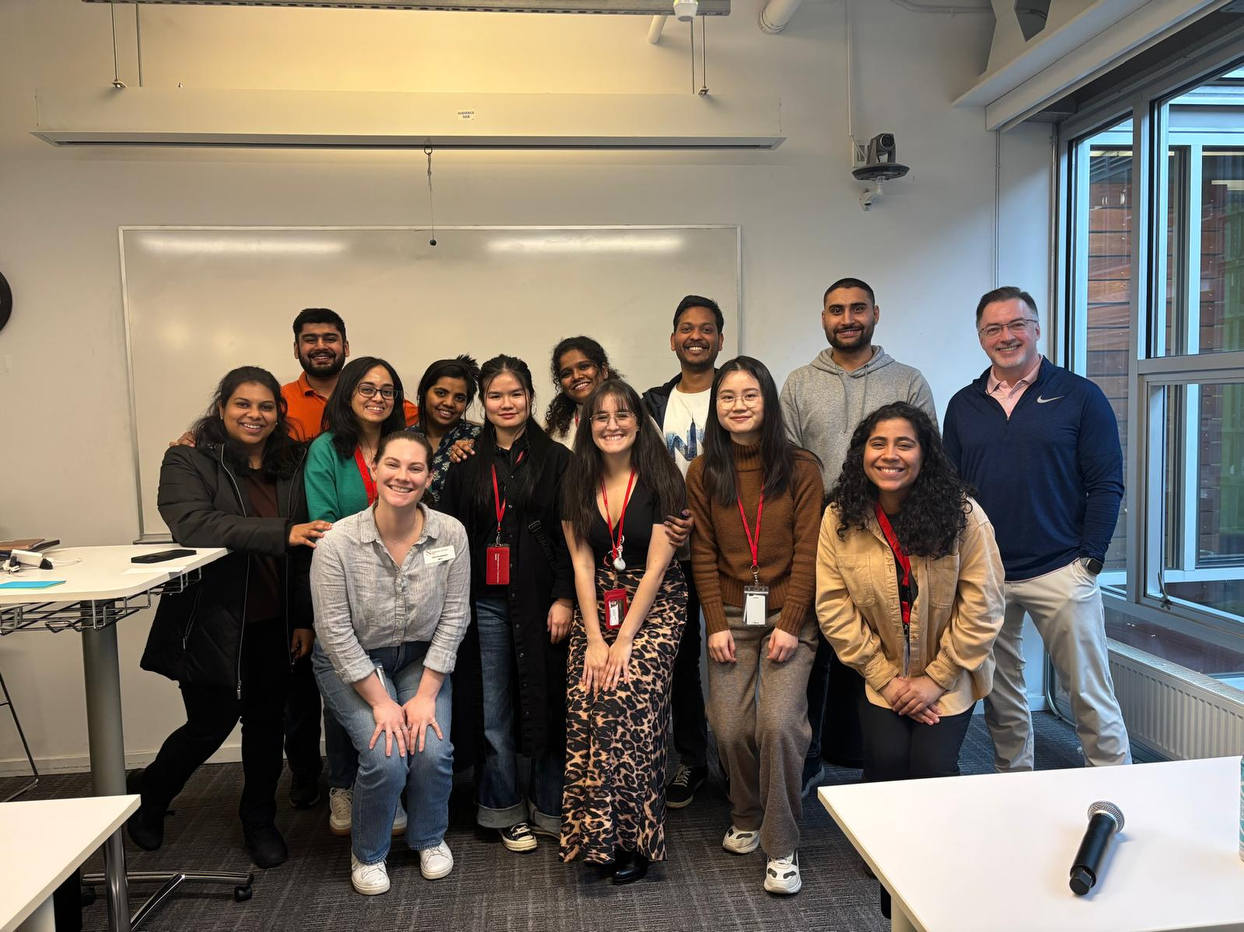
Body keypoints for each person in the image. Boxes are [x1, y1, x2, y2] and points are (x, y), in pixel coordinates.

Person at [131, 366, 332, 868]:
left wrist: (304, 619)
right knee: (209, 722)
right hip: (213, 619)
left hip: (277, 617)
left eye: (266, 406)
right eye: (242, 404)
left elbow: (311, 546)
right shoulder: (188, 459)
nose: (254, 415)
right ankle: (151, 796)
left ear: (279, 413)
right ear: (221, 409)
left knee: (267, 723)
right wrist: (281, 532)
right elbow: (193, 522)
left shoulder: (293, 463)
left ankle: (258, 820)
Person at [943, 286, 1131, 771]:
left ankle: (1118, 788)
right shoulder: (964, 405)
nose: (1006, 336)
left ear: (1036, 328)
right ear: (981, 337)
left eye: (1016, 324)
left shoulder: (1080, 396)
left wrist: (1090, 560)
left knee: (1088, 693)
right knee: (1002, 698)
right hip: (987, 574)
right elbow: (951, 489)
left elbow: (1106, 484)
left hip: (1061, 569)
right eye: (994, 328)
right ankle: (1014, 785)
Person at [779, 277, 937, 795]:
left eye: (857, 309)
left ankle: (888, 758)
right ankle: (813, 758)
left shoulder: (908, 380)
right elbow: (791, 463)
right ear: (823, 317)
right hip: (824, 531)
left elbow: (926, 458)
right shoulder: (800, 383)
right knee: (821, 650)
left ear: (875, 314)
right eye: (836, 310)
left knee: (892, 643)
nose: (847, 318)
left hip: (895, 534)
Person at [685, 356, 823, 896]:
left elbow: (812, 551)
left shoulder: (801, 468)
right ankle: (745, 811)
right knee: (729, 727)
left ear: (768, 401)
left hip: (791, 618)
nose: (738, 407)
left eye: (750, 396)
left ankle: (782, 844)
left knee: (779, 725)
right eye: (727, 398)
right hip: (731, 617)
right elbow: (702, 552)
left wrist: (792, 621)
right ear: (715, 407)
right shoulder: (703, 471)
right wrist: (714, 621)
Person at [310, 431, 469, 894]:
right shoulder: (337, 543)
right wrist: (381, 702)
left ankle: (429, 837)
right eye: (393, 465)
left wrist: (425, 695)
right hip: (352, 661)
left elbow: (456, 615)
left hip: (422, 659)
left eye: (415, 468)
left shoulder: (450, 533)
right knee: (385, 757)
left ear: (429, 476)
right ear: (374, 468)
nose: (403, 476)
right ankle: (370, 852)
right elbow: (335, 633)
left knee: (433, 750)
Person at [438, 355, 574, 851]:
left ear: (531, 397)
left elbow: (571, 539)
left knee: (547, 703)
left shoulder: (559, 460)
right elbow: (448, 539)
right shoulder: (466, 463)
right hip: (486, 605)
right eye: (495, 395)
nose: (506, 403)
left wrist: (564, 596)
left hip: (544, 603)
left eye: (515, 393)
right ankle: (501, 809)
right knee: (493, 711)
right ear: (483, 403)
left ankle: (551, 806)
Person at [560, 379, 688, 884]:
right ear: (587, 426)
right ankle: (595, 837)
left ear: (639, 421)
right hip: (597, 604)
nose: (611, 425)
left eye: (621, 415)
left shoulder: (661, 478)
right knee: (587, 697)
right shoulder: (576, 480)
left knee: (628, 696)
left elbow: (657, 568)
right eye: (600, 417)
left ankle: (636, 841)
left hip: (651, 606)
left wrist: (625, 641)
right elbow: (581, 562)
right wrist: (593, 638)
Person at [305, 357, 412, 838]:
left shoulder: (401, 446)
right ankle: (343, 786)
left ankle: (389, 789)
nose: (377, 398)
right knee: (346, 695)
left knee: (392, 695)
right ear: (348, 393)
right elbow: (324, 524)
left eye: (388, 391)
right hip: (344, 587)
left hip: (402, 590)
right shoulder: (328, 449)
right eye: (367, 388)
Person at [640, 294, 721, 809]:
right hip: (668, 554)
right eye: (686, 328)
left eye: (707, 328)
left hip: (729, 551)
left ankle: (739, 761)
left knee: (737, 656)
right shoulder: (650, 401)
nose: (696, 336)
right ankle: (690, 760)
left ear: (719, 338)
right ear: (673, 339)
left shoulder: (740, 392)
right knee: (679, 662)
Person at [282, 307, 419, 442]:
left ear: (346, 348)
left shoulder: (377, 398)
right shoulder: (281, 400)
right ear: (296, 349)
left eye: (330, 339)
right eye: (310, 340)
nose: (321, 346)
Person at [409, 354, 482, 504]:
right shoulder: (404, 438)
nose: (449, 403)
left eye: (459, 398)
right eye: (440, 393)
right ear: (423, 392)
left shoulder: (477, 438)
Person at [544, 336, 620, 449]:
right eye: (567, 373)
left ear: (604, 370)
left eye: (584, 367)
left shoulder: (633, 413)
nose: (576, 376)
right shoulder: (552, 427)